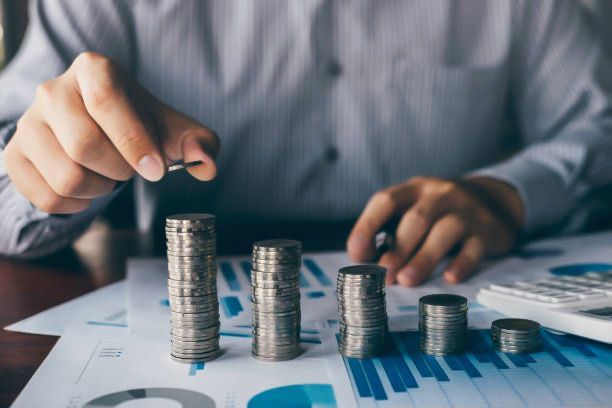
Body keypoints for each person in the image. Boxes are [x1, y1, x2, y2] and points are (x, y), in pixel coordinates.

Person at [0, 0, 611, 287]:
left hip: (443, 279)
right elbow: (10, 195)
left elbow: (599, 127)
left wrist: (510, 194)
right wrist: (61, 168)